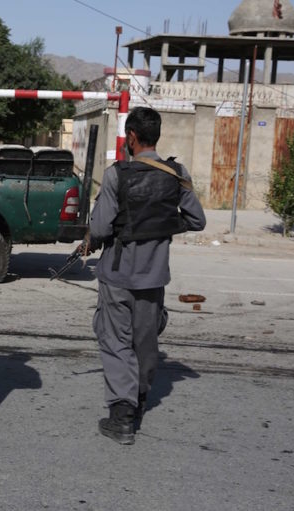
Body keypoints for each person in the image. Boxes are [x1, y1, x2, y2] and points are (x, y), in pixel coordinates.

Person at [86, 106, 206, 445]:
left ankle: (122, 415)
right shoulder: (176, 173)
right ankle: (138, 399)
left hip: (117, 274)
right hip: (154, 276)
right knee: (145, 342)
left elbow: (98, 227)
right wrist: (162, 228)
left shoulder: (116, 175)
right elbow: (197, 220)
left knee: (115, 342)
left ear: (133, 138)